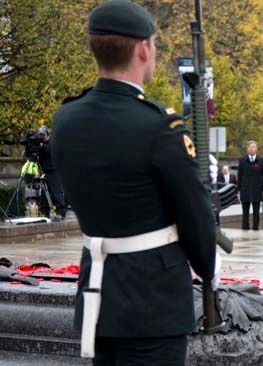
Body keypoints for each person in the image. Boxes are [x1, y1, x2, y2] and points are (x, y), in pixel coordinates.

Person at [49, 1, 216, 364]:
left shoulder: (66, 120)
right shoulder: (159, 127)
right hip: (152, 303)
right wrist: (206, 268)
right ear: (144, 49)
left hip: (98, 295)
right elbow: (197, 217)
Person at [36, 126, 67, 220]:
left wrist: (42, 146)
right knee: (44, 193)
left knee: (56, 192)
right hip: (44, 171)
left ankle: (61, 212)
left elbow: (50, 150)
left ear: (47, 134)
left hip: (54, 171)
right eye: (39, 134)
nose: (41, 136)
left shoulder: (53, 142)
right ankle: (44, 212)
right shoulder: (39, 144)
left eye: (43, 134)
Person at [237, 141, 263, 230]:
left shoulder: (261, 160)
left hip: (257, 189)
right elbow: (239, 175)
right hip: (245, 189)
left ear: (256, 149)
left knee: (256, 211)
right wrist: (238, 189)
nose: (251, 148)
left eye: (253, 147)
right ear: (247, 149)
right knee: (245, 211)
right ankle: (245, 228)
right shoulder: (242, 160)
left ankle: (255, 228)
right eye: (250, 147)